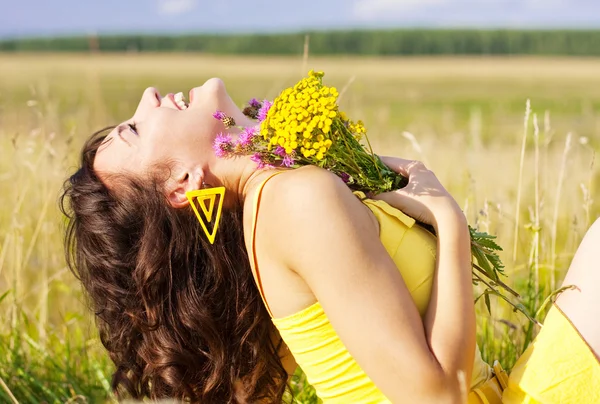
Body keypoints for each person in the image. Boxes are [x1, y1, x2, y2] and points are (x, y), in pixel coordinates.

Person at [61, 80, 600, 403]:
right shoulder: (295, 203)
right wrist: (449, 222)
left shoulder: (271, 208)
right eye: (134, 129)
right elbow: (438, 398)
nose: (147, 97)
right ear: (183, 185)